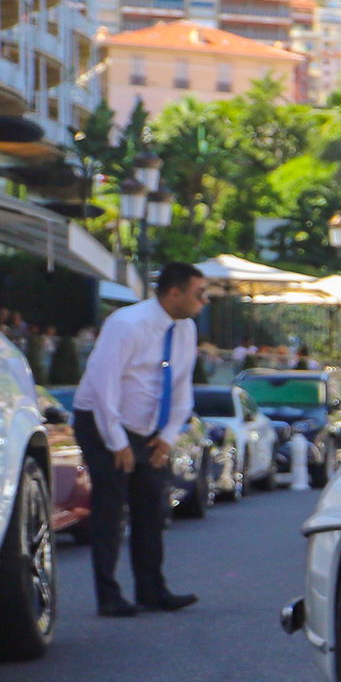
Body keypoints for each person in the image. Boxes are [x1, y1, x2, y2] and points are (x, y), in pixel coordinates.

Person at [71, 262, 207, 617]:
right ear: (174, 293)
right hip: (102, 420)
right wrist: (116, 441)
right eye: (199, 293)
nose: (204, 301)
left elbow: (180, 385)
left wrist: (167, 436)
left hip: (148, 429)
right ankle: (109, 595)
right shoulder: (126, 324)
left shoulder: (185, 329)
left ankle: (152, 589)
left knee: (152, 505)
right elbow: (104, 385)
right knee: (111, 508)